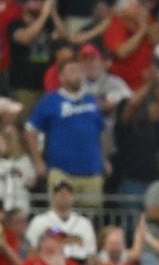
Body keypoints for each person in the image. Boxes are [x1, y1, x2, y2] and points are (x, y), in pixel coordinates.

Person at [24, 59, 106, 201]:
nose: (77, 75)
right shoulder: (50, 100)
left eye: (79, 71)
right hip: (61, 171)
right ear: (61, 77)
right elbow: (30, 130)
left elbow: (101, 131)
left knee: (90, 219)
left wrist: (104, 159)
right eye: (72, 71)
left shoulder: (91, 100)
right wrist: (38, 161)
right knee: (59, 217)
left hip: (92, 170)